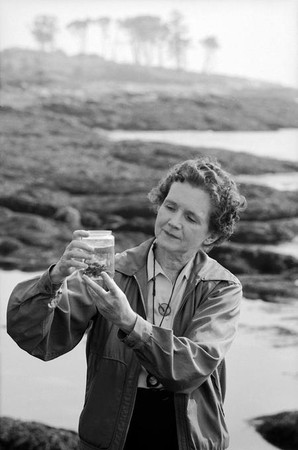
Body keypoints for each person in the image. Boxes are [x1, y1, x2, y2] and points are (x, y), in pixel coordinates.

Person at [7, 157, 247, 450]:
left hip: (190, 439)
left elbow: (192, 366)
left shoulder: (222, 288)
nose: (173, 222)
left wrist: (128, 322)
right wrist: (54, 278)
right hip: (111, 436)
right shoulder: (112, 272)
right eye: (170, 207)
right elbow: (37, 339)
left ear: (212, 233)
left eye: (190, 217)